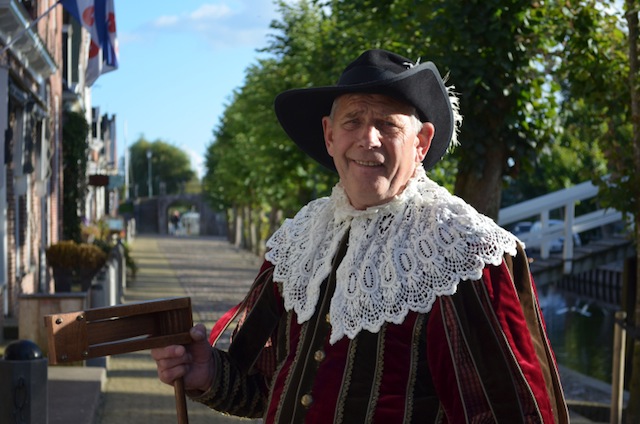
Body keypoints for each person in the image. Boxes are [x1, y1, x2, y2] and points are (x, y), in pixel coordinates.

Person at [152, 49, 569, 423]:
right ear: (330, 136)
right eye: (352, 121)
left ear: (421, 142)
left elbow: (507, 412)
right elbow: (271, 389)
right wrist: (206, 372)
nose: (367, 139)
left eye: (387, 124)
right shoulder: (301, 238)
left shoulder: (463, 251)